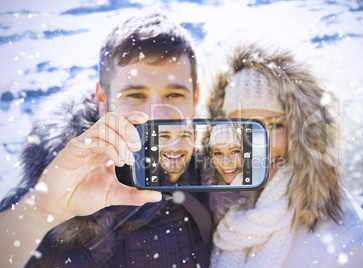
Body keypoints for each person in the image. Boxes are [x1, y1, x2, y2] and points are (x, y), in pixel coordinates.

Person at [0, 12, 212, 267]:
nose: (155, 115)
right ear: (103, 101)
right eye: (135, 95)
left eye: (174, 95)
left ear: (195, 99)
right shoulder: (56, 186)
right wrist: (43, 210)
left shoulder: (217, 181)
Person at [205, 38, 363, 267]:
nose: (258, 144)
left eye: (274, 125)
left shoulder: (353, 240)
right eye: (242, 127)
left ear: (302, 133)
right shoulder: (223, 217)